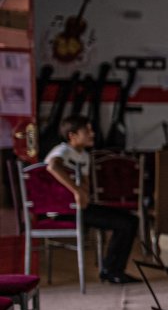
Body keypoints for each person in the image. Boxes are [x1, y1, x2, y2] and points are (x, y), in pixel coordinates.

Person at [44, 114, 140, 284]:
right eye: (87, 131)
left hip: (80, 208)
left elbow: (86, 187)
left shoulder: (85, 156)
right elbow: (53, 166)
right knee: (125, 223)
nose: (92, 134)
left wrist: (83, 192)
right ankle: (112, 271)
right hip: (62, 209)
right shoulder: (63, 150)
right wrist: (76, 191)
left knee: (130, 220)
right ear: (72, 136)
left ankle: (111, 270)